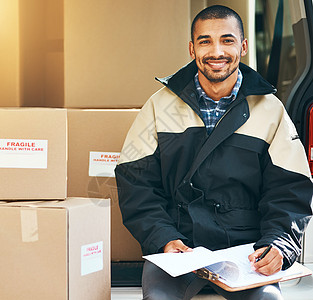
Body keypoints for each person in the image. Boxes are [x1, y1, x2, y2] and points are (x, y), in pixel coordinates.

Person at [115, 5, 313, 300]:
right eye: (206, 41)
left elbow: (290, 190)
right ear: (192, 48)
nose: (216, 51)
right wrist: (164, 238)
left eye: (227, 40)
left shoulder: (270, 111)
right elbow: (135, 185)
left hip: (247, 252)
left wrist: (279, 242)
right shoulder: (159, 107)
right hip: (179, 250)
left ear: (243, 47)